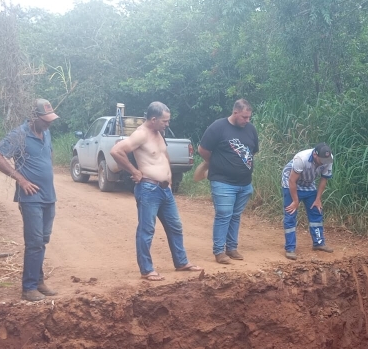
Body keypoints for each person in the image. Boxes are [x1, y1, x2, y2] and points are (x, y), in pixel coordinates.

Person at [110, 101, 203, 281]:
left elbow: (163, 155)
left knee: (175, 227)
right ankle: (146, 270)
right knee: (147, 230)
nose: (167, 124)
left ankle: (181, 262)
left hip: (164, 189)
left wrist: (168, 179)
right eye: (164, 121)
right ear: (153, 119)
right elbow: (116, 151)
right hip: (148, 188)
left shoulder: (159, 133)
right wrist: (135, 171)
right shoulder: (141, 134)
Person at [0, 99, 60, 302]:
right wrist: (21, 179)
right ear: (33, 117)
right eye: (45, 120)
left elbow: (49, 155)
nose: (48, 123)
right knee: (34, 242)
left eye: (50, 120)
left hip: (48, 196)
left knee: (42, 240)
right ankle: (28, 288)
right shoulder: (19, 134)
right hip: (31, 198)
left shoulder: (45, 132)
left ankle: (38, 281)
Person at [197, 99, 259, 264]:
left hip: (244, 183)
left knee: (235, 216)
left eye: (249, 117)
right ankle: (219, 251)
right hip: (222, 181)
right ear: (235, 112)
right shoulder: (218, 127)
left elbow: (254, 151)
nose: (247, 120)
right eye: (244, 117)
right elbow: (203, 149)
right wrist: (215, 162)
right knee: (224, 215)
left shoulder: (250, 129)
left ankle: (231, 248)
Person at [281, 143, 335, 260]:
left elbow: (324, 179)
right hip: (291, 182)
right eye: (322, 160)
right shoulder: (301, 158)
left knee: (316, 210)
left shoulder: (328, 159)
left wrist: (318, 199)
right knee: (291, 213)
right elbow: (292, 181)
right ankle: (290, 248)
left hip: (309, 184)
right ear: (315, 155)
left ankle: (318, 243)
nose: (325, 162)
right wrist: (295, 201)